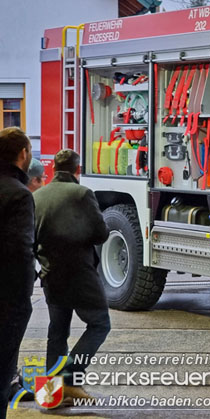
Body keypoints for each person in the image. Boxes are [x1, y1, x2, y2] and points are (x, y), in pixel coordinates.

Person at [33, 149, 110, 401]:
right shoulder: (82, 193)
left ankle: (51, 393)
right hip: (80, 275)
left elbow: (31, 237)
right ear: (77, 170)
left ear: (53, 168)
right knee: (99, 324)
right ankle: (69, 377)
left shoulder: (38, 196)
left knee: (57, 331)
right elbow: (101, 234)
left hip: (51, 273)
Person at [0, 128, 34, 419]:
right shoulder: (19, 195)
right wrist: (24, 301)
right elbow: (19, 252)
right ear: (23, 154)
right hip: (6, 301)